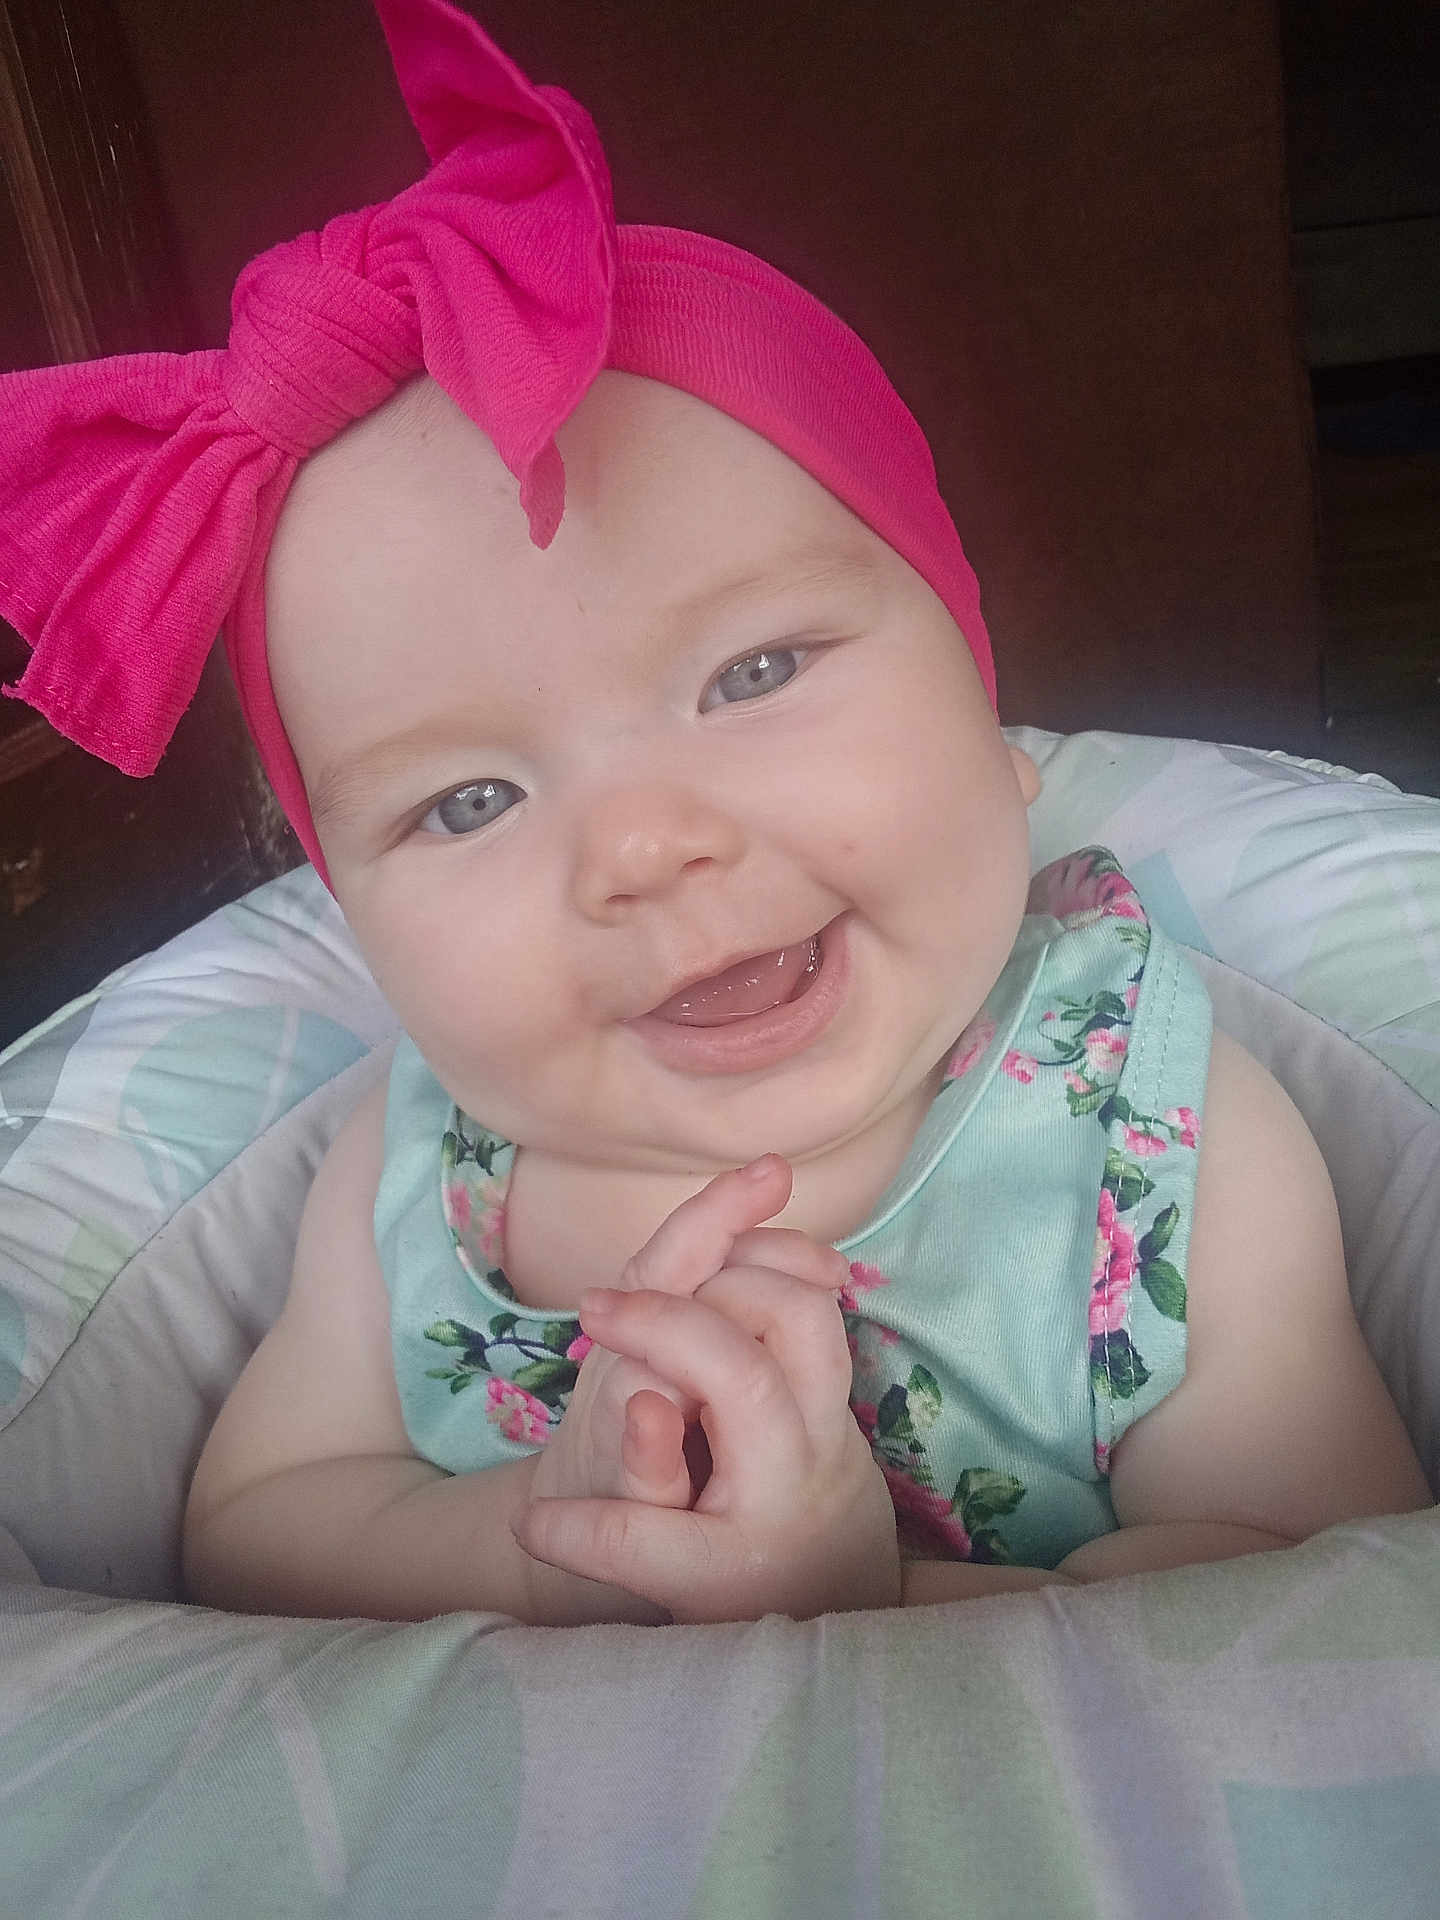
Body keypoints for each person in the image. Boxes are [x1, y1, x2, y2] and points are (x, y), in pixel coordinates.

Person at [1, 1, 1428, 1628]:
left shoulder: (1156, 1132)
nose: (640, 849)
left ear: (991, 722)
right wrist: (547, 1528)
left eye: (753, 672)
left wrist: (848, 1598)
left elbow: (1326, 1593)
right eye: (468, 799)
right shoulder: (424, 1173)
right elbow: (261, 1524)